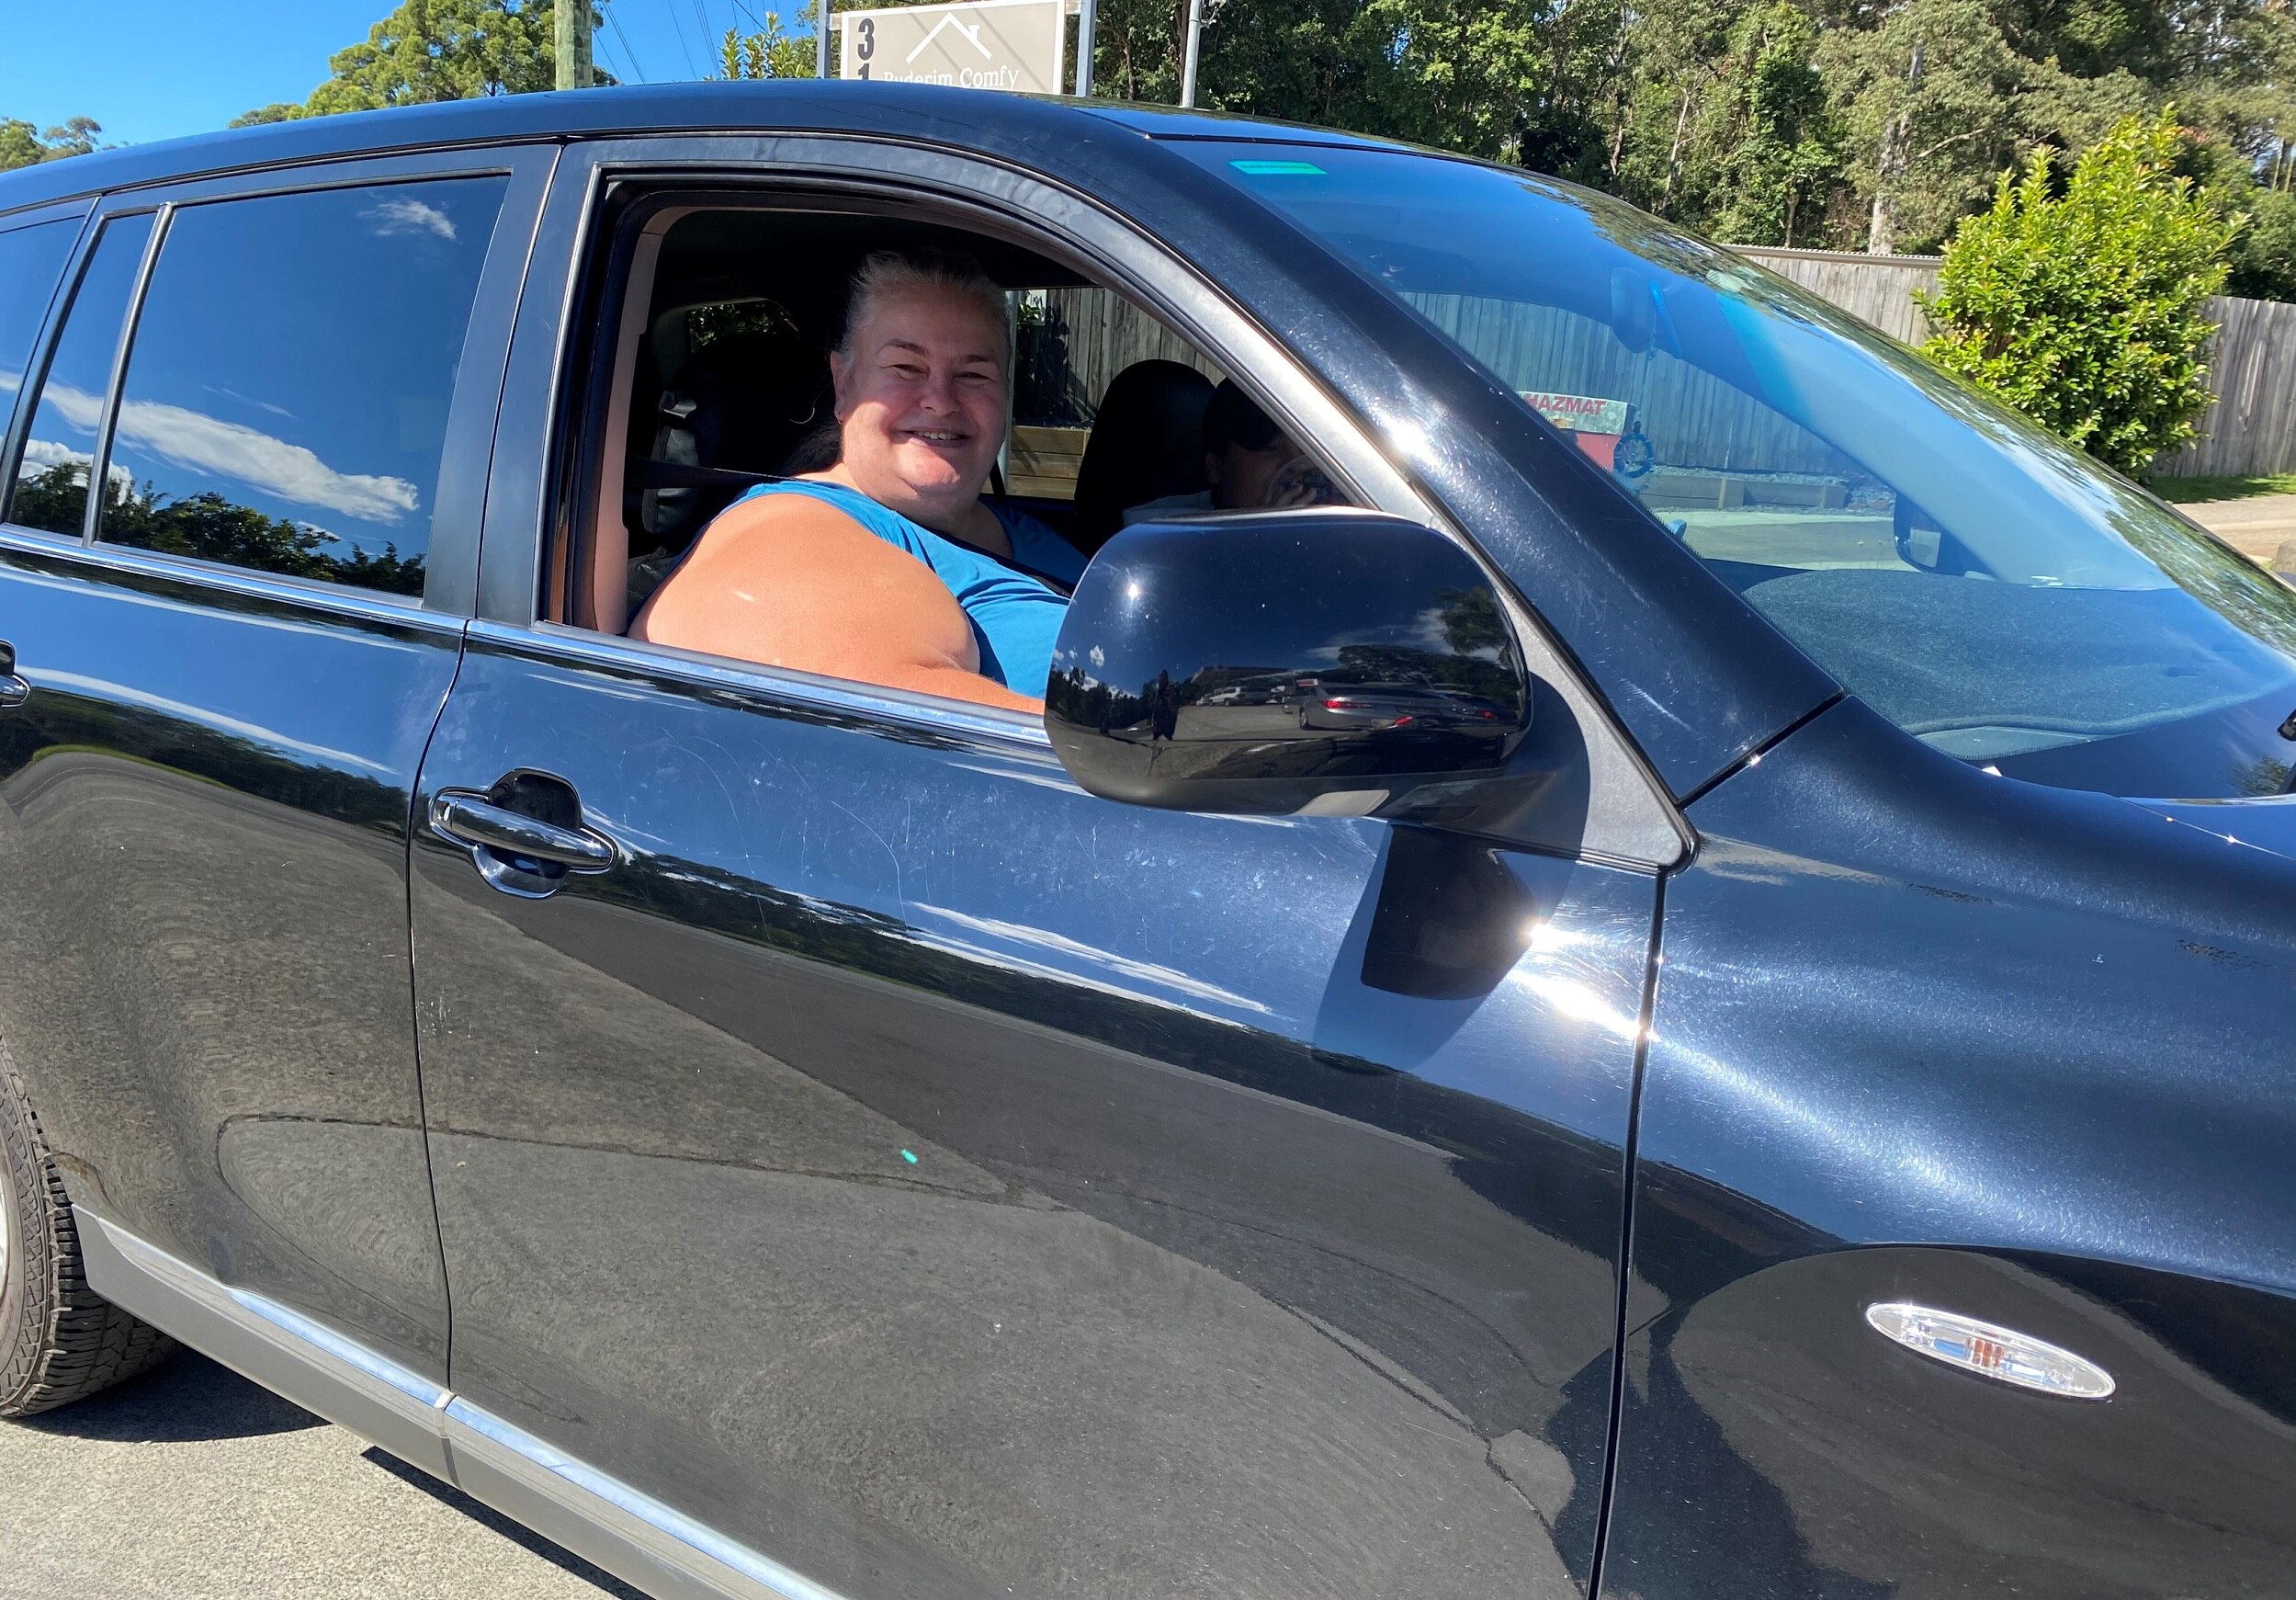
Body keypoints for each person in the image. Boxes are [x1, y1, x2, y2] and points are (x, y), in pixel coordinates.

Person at [632, 248, 1084, 712]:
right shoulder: (791, 533)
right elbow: (908, 725)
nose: (941, 400)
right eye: (906, 367)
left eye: (973, 374)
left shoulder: (1017, 528)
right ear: (843, 384)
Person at [1124, 379, 1339, 525]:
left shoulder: (1334, 525)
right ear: (1216, 466)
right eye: (1269, 448)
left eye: (1306, 450)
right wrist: (1269, 536)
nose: (1295, 465)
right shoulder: (1166, 547)